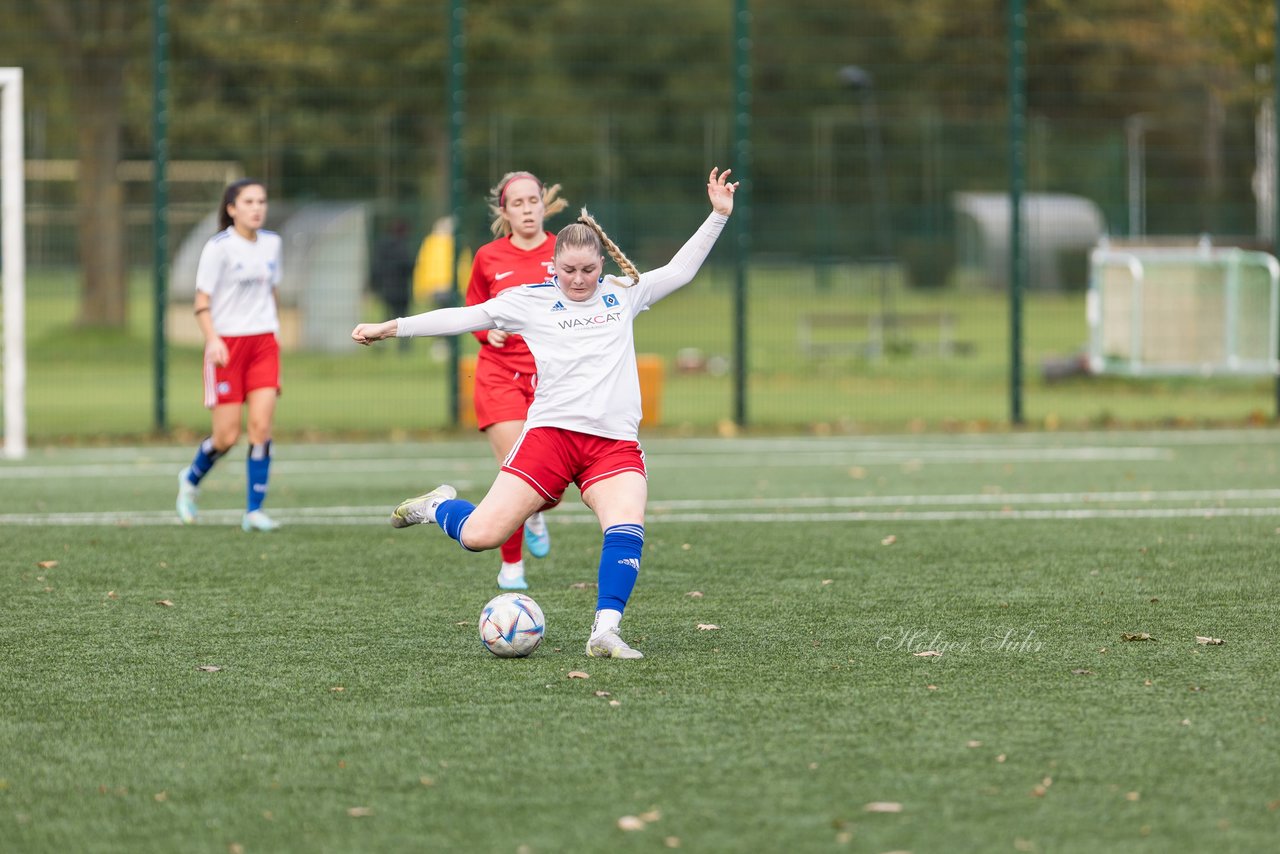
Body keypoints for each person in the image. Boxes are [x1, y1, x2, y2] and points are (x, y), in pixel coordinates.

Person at [351, 167, 738, 659]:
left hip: (612, 443)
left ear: (602, 265)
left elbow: (681, 271)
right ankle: (436, 505)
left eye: (588, 270)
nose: (579, 280)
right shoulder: (529, 301)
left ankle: (604, 631)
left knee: (625, 523)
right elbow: (461, 317)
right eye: (569, 271)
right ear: (552, 266)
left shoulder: (625, 292)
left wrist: (718, 215)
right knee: (480, 536)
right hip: (550, 438)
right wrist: (392, 327)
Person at [465, 171, 570, 591]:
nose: (527, 209)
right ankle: (512, 566)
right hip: (498, 376)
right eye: (518, 204)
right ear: (504, 212)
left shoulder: (565, 248)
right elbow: (474, 307)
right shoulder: (488, 257)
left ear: (543, 204)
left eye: (533, 201)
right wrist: (485, 331)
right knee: (513, 473)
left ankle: (537, 513)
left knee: (550, 485)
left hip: (554, 380)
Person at [176, 178, 284, 532]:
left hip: (264, 344)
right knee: (226, 437)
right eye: (249, 202)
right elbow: (201, 303)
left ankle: (254, 510)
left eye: (261, 201)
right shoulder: (218, 247)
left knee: (261, 427)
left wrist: (276, 335)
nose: (257, 208)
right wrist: (213, 339)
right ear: (232, 208)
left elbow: (272, 294)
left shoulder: (272, 244)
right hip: (227, 347)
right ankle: (190, 480)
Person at [370, 219, 416, 352]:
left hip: (387, 286)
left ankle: (379, 344)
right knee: (403, 317)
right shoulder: (403, 246)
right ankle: (403, 347)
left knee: (386, 316)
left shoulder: (381, 246)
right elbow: (408, 266)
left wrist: (376, 284)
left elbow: (376, 268)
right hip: (401, 286)